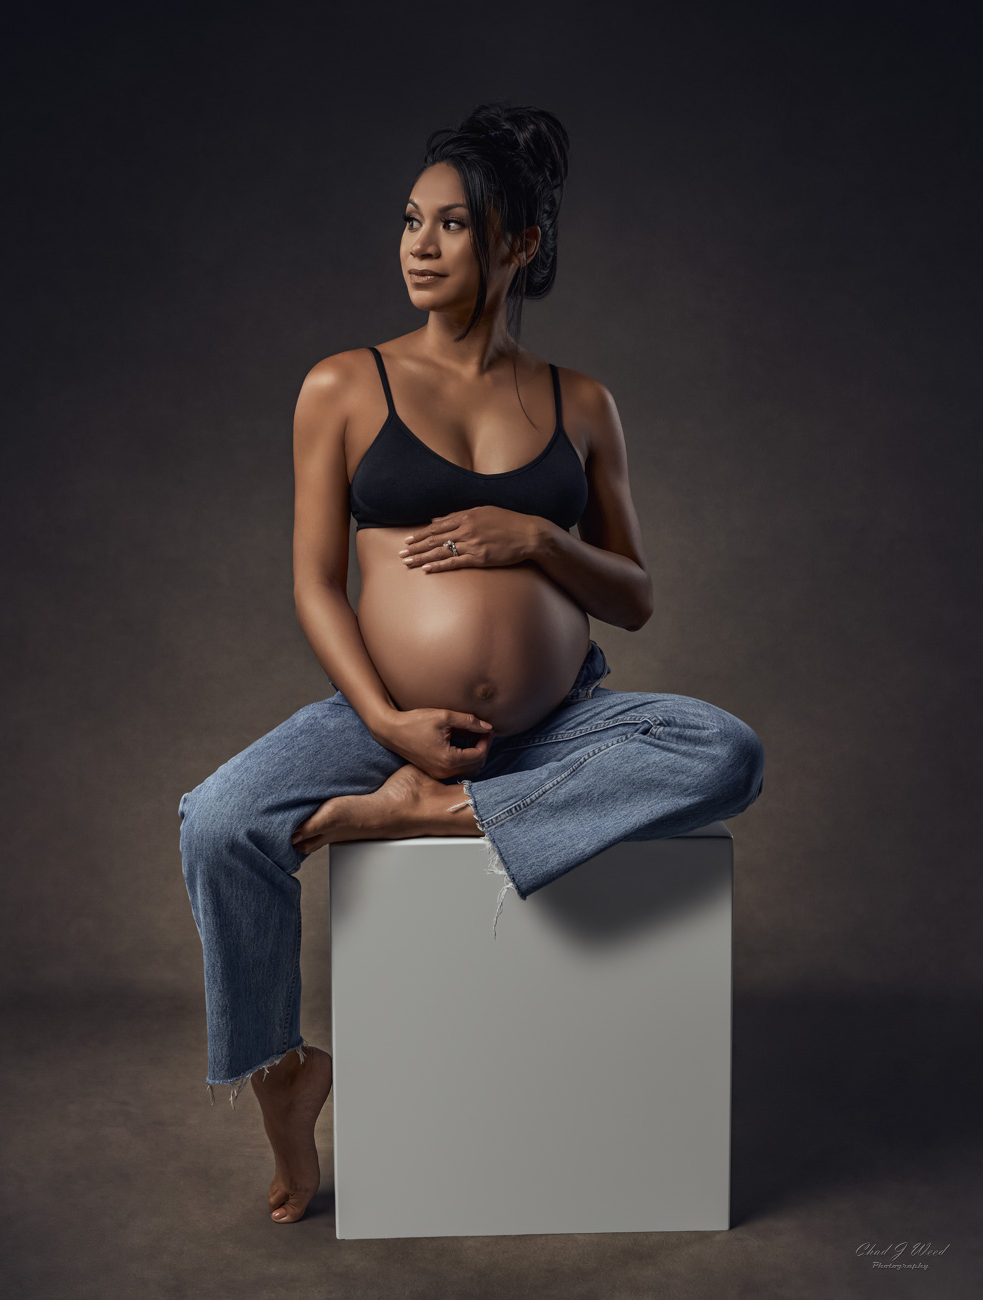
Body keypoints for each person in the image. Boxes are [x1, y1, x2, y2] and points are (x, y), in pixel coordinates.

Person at [178, 100, 765, 1225]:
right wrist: (386, 725)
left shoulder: (580, 403)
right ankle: (281, 1074)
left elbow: (633, 597)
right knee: (216, 824)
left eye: (452, 225)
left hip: (557, 724)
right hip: (387, 717)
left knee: (725, 751)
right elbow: (315, 583)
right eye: (411, 220)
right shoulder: (342, 386)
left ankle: (431, 814)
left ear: (518, 244)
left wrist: (538, 537)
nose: (419, 245)